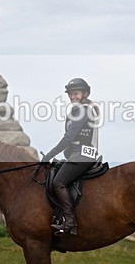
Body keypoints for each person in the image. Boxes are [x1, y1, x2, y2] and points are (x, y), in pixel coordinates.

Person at [41, 78, 101, 236]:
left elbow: (69, 137)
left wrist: (49, 155)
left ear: (84, 94)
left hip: (82, 155)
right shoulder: (77, 111)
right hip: (77, 154)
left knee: (59, 182)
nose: (73, 96)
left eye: (76, 93)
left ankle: (70, 223)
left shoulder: (84, 110)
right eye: (70, 94)